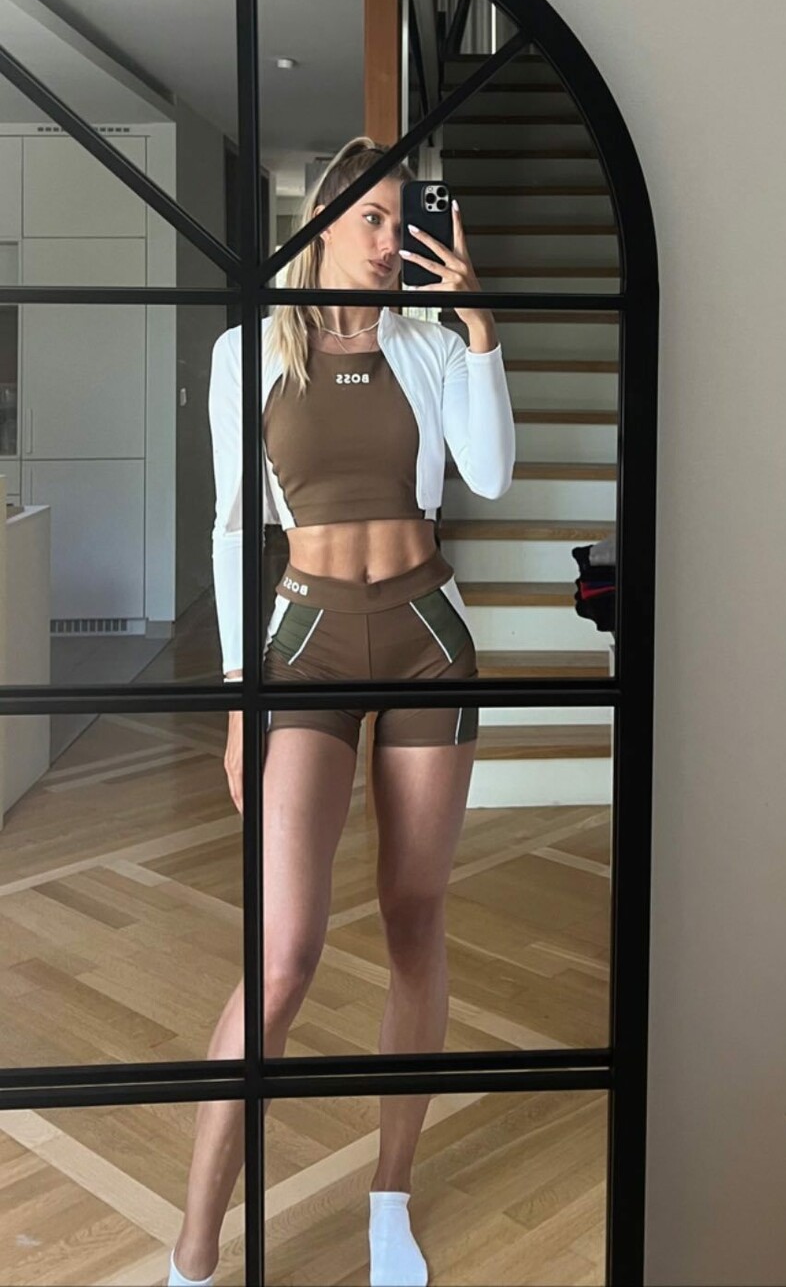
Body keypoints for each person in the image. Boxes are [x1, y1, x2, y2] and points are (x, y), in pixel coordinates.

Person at [167, 136, 515, 1287]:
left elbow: (490, 474)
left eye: (404, 219)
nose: (388, 238)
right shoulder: (249, 352)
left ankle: (389, 1200)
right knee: (283, 956)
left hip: (425, 640)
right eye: (371, 216)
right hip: (305, 645)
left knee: (415, 919)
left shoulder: (428, 344)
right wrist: (238, 699)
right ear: (320, 220)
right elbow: (233, 528)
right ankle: (196, 1247)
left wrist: (479, 327)